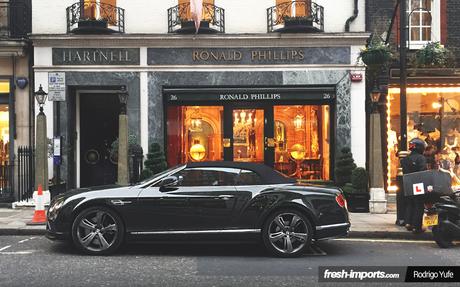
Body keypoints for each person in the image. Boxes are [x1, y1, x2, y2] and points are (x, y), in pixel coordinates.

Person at [401, 138, 427, 234]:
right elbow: (423, 172)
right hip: (418, 183)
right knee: (419, 205)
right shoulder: (421, 158)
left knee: (409, 203)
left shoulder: (405, 159)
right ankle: (417, 227)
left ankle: (408, 222)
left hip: (407, 183)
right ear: (420, 147)